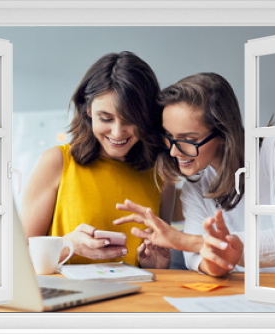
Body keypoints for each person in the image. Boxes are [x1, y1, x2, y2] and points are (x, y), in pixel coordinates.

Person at [115, 72, 275, 276]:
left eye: (188, 140)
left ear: (223, 133)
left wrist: (186, 241)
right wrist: (207, 254)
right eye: (169, 136)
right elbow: (200, 260)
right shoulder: (196, 182)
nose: (173, 151)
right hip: (246, 292)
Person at [22, 51, 173, 269]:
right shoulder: (57, 161)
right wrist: (67, 246)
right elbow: (17, 258)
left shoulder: (161, 175)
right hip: (69, 298)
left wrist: (156, 264)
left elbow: (158, 262)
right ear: (87, 107)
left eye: (131, 120)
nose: (118, 132)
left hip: (135, 298)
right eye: (106, 118)